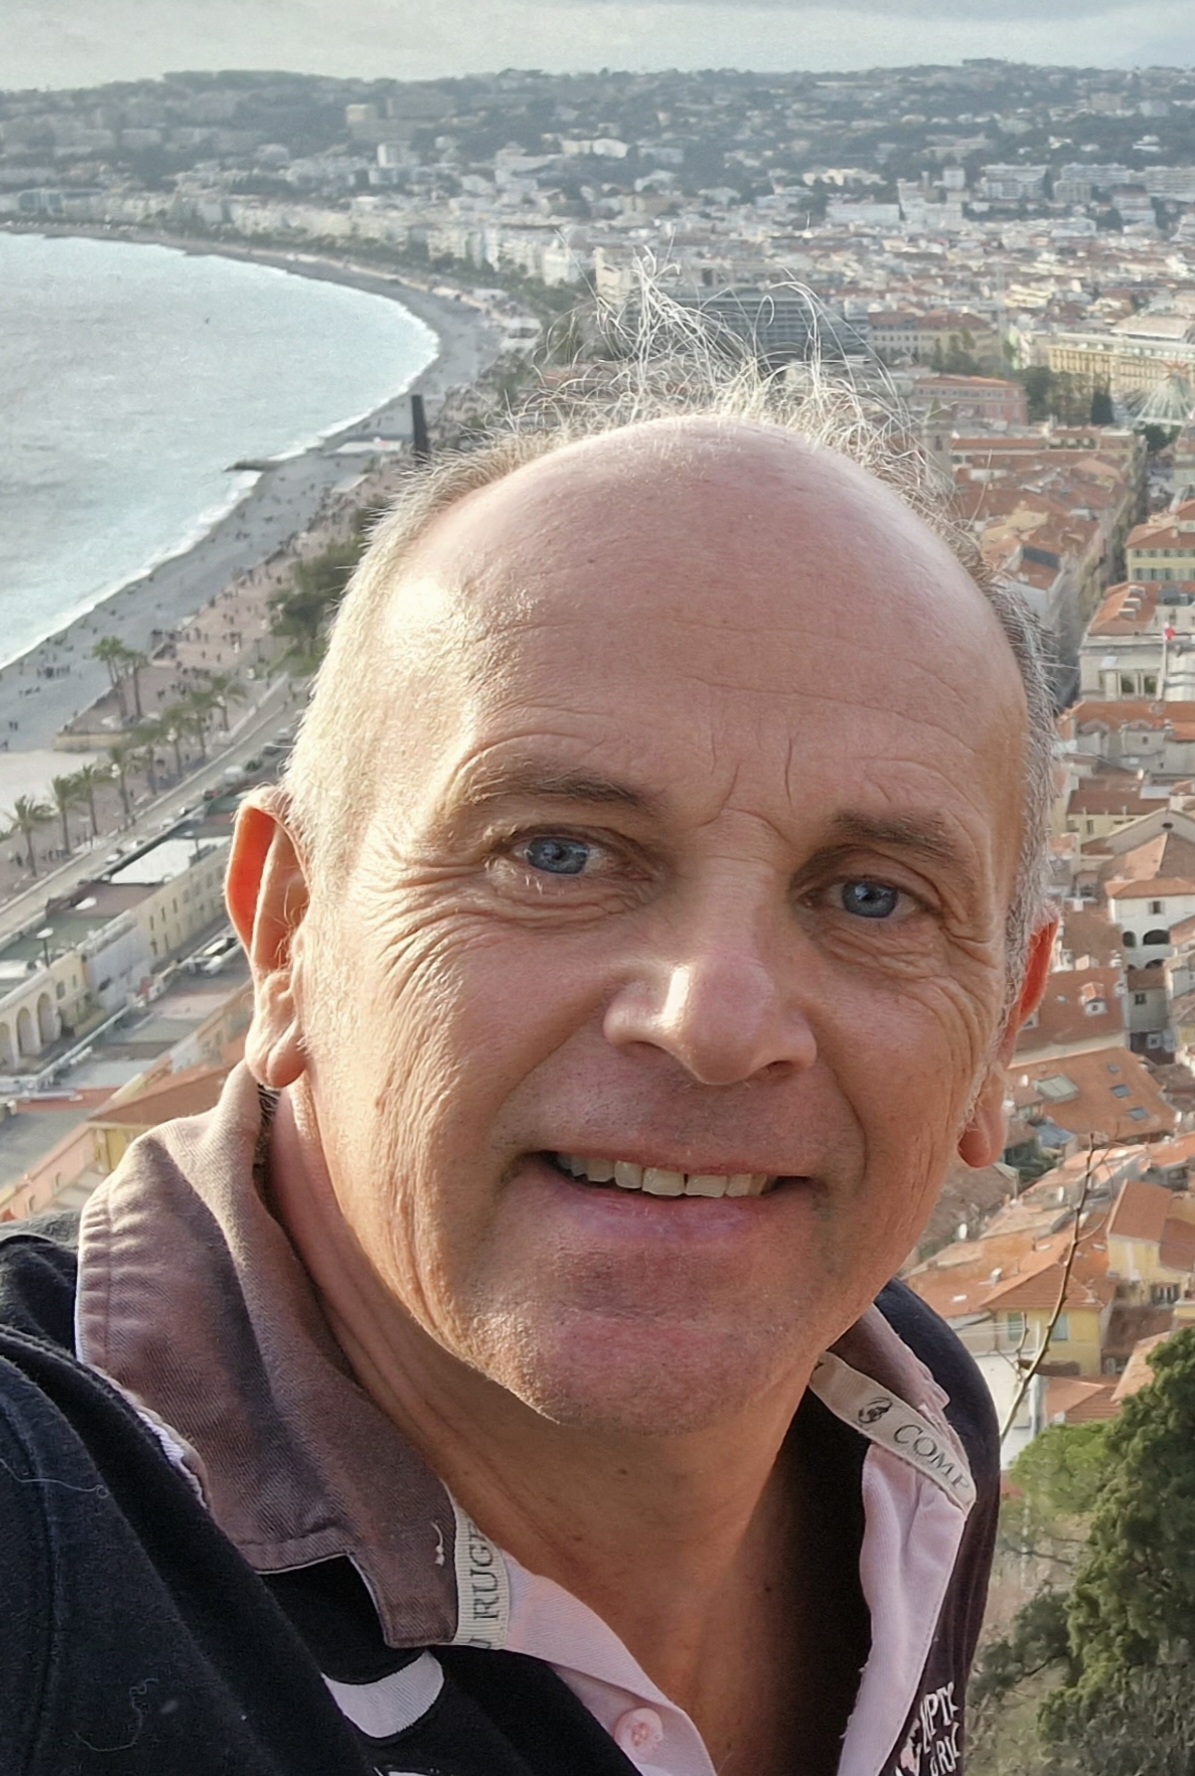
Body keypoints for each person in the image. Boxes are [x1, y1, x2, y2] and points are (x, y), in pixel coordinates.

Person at [0, 365, 1055, 1776]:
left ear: (1000, 1032)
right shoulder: (48, 1529)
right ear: (288, 934)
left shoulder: (914, 1433)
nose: (715, 1021)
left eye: (874, 897)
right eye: (556, 853)